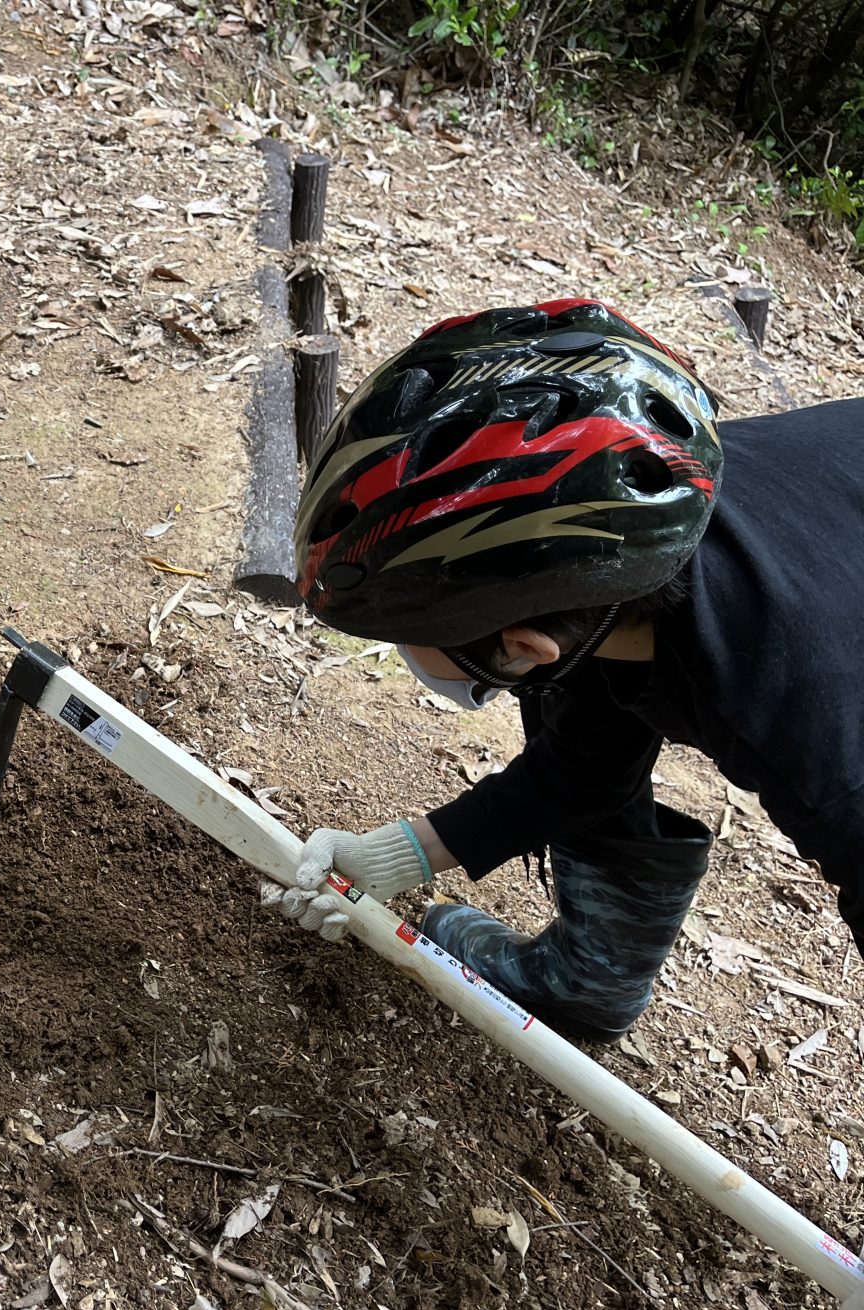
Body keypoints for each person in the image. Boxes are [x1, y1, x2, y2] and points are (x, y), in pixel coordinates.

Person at [264, 297, 864, 1041]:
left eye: (403, 629)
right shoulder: (621, 533)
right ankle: (592, 975)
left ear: (522, 645)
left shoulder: (817, 747)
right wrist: (393, 856)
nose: (396, 645)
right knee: (574, 690)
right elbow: (585, 760)